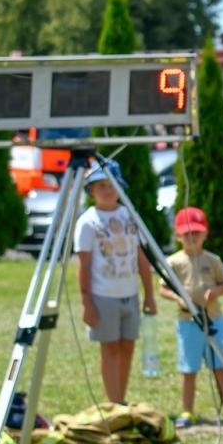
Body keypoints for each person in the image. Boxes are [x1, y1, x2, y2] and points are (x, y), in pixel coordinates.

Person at [74, 163, 157, 407]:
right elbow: (84, 265)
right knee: (109, 348)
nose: (108, 191)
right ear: (91, 190)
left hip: (129, 293)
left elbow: (141, 257)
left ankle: (121, 396)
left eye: (112, 185)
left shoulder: (129, 215)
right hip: (103, 295)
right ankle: (114, 401)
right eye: (101, 185)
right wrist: (87, 302)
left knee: (127, 346)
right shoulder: (88, 222)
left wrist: (149, 294)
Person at [160, 206, 223, 429]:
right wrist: (179, 299)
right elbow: (163, 289)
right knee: (189, 368)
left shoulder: (212, 260)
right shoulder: (173, 262)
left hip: (214, 319)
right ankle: (188, 410)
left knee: (220, 366)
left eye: (196, 233)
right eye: (186, 234)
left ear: (205, 234)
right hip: (188, 323)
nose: (192, 238)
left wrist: (214, 292)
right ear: (177, 236)